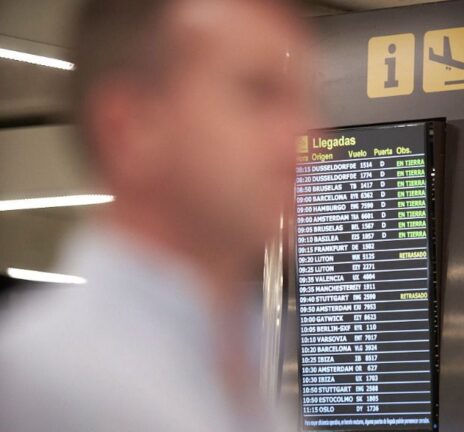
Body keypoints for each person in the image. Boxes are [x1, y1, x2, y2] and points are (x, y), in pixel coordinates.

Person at [0, 0, 310, 430]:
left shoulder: (241, 368)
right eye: (258, 94)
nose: (301, 136)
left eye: (305, 101)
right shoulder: (50, 381)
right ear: (131, 126)